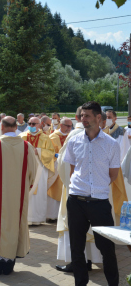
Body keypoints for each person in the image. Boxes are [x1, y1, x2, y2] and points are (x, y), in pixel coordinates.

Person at [64, 101, 119, 286]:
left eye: (87, 115)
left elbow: (113, 175)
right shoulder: (73, 141)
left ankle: (113, 283)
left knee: (107, 248)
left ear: (98, 117)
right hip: (76, 201)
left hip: (99, 202)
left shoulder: (111, 144)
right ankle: (80, 283)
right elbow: (73, 169)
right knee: (76, 247)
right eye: (81, 115)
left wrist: (96, 188)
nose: (82, 119)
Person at [0, 116, 37, 275]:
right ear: (16, 127)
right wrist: (25, 186)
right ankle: (9, 265)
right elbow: (33, 172)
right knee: (14, 225)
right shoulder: (27, 147)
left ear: (2, 128)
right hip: (18, 197)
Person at [19, 117, 55, 225]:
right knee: (24, 191)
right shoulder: (22, 136)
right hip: (24, 167)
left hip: (40, 168)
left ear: (40, 124)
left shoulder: (45, 138)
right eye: (29, 123)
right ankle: (24, 218)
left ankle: (37, 218)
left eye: (34, 123)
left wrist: (38, 151)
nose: (31, 125)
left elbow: (51, 153)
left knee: (38, 193)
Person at [47, 118, 73, 221]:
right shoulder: (52, 136)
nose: (69, 128)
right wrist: (56, 156)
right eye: (67, 126)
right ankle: (52, 215)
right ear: (61, 125)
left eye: (70, 126)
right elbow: (48, 152)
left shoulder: (72, 136)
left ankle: (65, 215)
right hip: (56, 167)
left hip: (69, 167)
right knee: (55, 189)